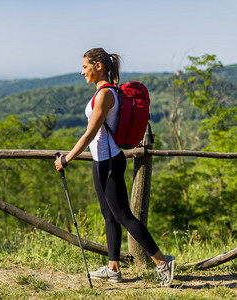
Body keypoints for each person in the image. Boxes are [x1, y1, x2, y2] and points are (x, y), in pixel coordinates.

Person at [54, 48, 175, 286]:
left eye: (85, 67)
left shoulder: (105, 95)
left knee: (123, 216)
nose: (82, 72)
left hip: (109, 162)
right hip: (102, 161)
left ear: (99, 66)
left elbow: (89, 134)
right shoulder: (104, 92)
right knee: (109, 215)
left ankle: (163, 262)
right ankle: (113, 268)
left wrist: (66, 159)